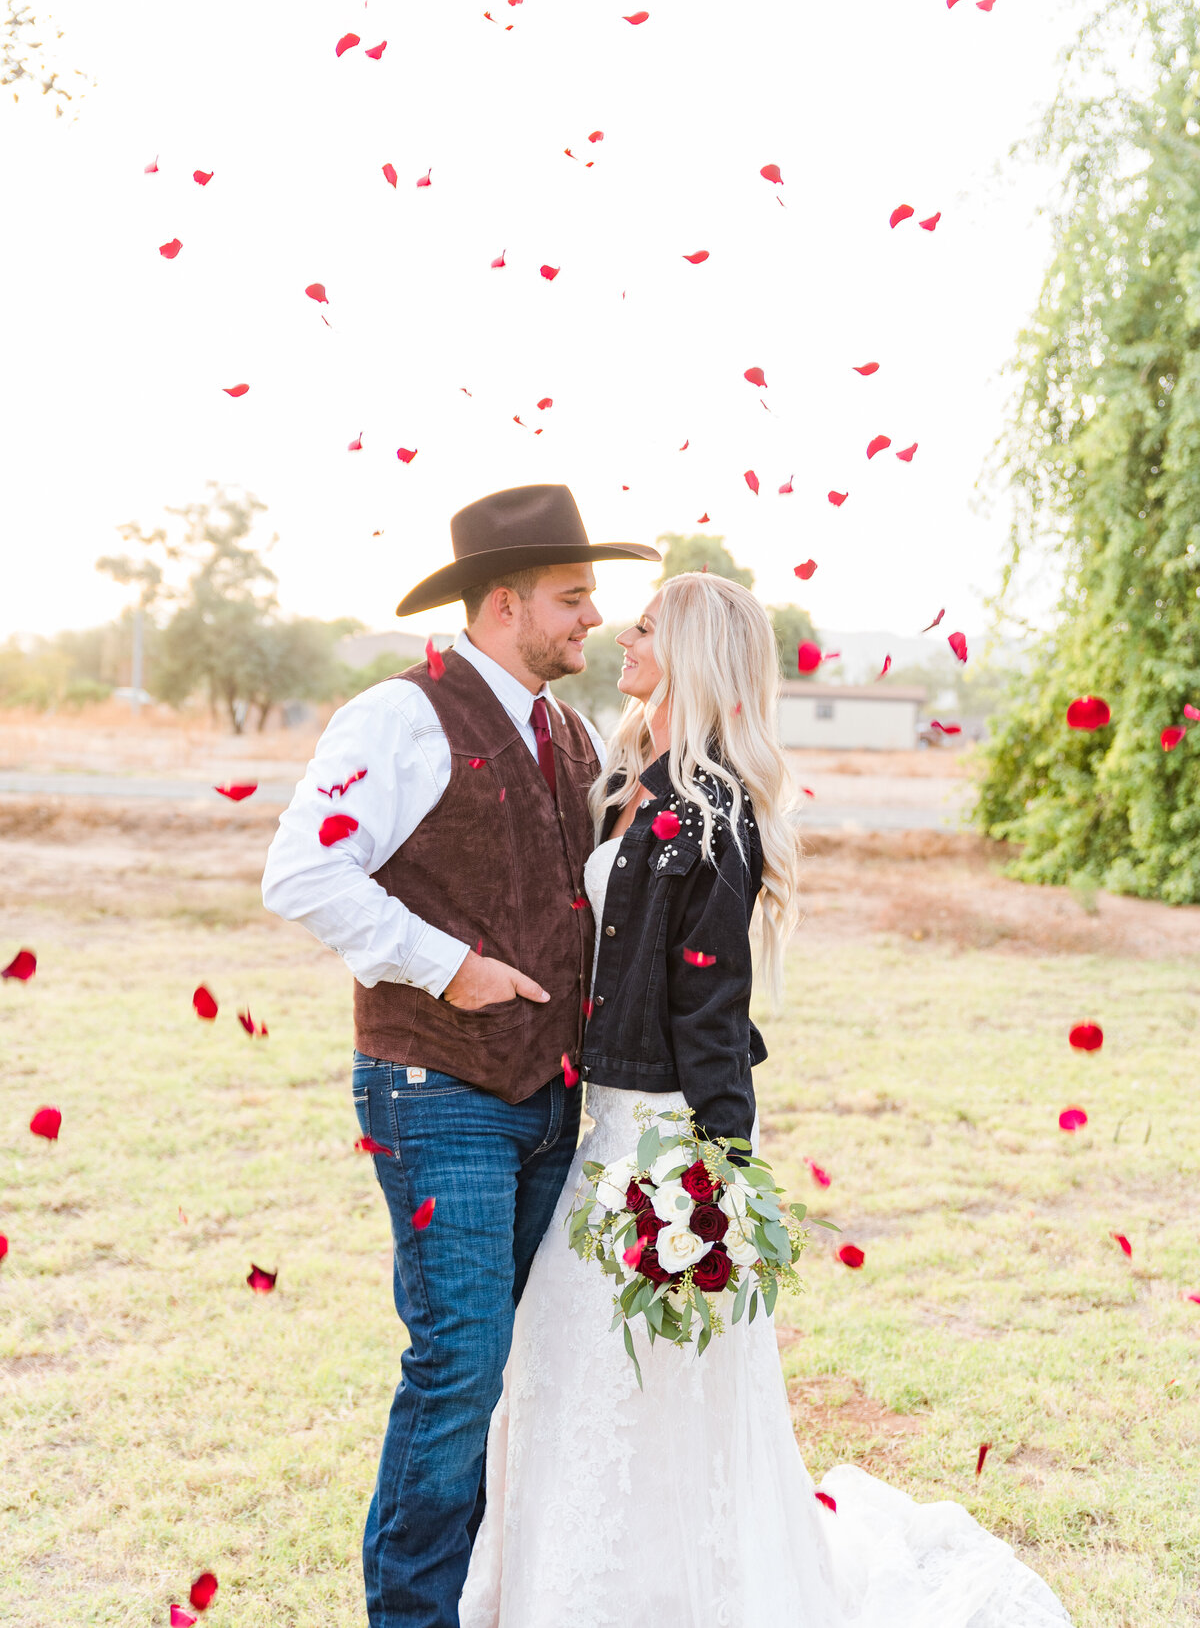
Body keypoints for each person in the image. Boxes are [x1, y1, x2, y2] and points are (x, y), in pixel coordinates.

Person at [459, 571, 1074, 1628]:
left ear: (693, 653)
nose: (624, 639)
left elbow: (710, 1004)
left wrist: (719, 1173)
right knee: (564, 1366)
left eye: (647, 627)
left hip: (660, 1140)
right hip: (588, 1126)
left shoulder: (715, 817)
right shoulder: (616, 780)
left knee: (651, 1370)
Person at [261, 483, 659, 1628]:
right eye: (573, 598)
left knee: (523, 1372)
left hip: (548, 1096)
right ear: (502, 604)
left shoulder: (570, 731)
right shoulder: (397, 717)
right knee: (459, 1370)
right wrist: (448, 966)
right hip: (437, 1088)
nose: (593, 618)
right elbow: (303, 872)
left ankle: (495, 1596)